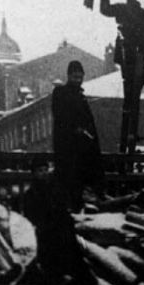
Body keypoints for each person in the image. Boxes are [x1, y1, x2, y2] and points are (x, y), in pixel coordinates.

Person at [22, 158, 98, 285]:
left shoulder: (54, 189)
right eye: (40, 171)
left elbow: (62, 208)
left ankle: (81, 279)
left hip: (59, 228)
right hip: (43, 230)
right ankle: (56, 279)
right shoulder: (31, 194)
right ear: (33, 173)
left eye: (45, 170)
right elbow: (31, 216)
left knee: (69, 245)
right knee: (51, 246)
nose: (44, 173)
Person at [100, 0, 144, 152]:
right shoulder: (121, 9)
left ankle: (130, 135)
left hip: (138, 58)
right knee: (128, 95)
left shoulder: (143, 15)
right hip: (126, 57)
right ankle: (126, 137)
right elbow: (105, 9)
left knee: (134, 97)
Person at [51, 60, 103, 211]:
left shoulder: (80, 96)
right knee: (70, 183)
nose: (78, 80)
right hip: (68, 148)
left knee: (80, 182)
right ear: (68, 76)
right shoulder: (60, 93)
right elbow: (60, 116)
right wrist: (76, 129)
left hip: (82, 149)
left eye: (80, 77)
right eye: (75, 77)